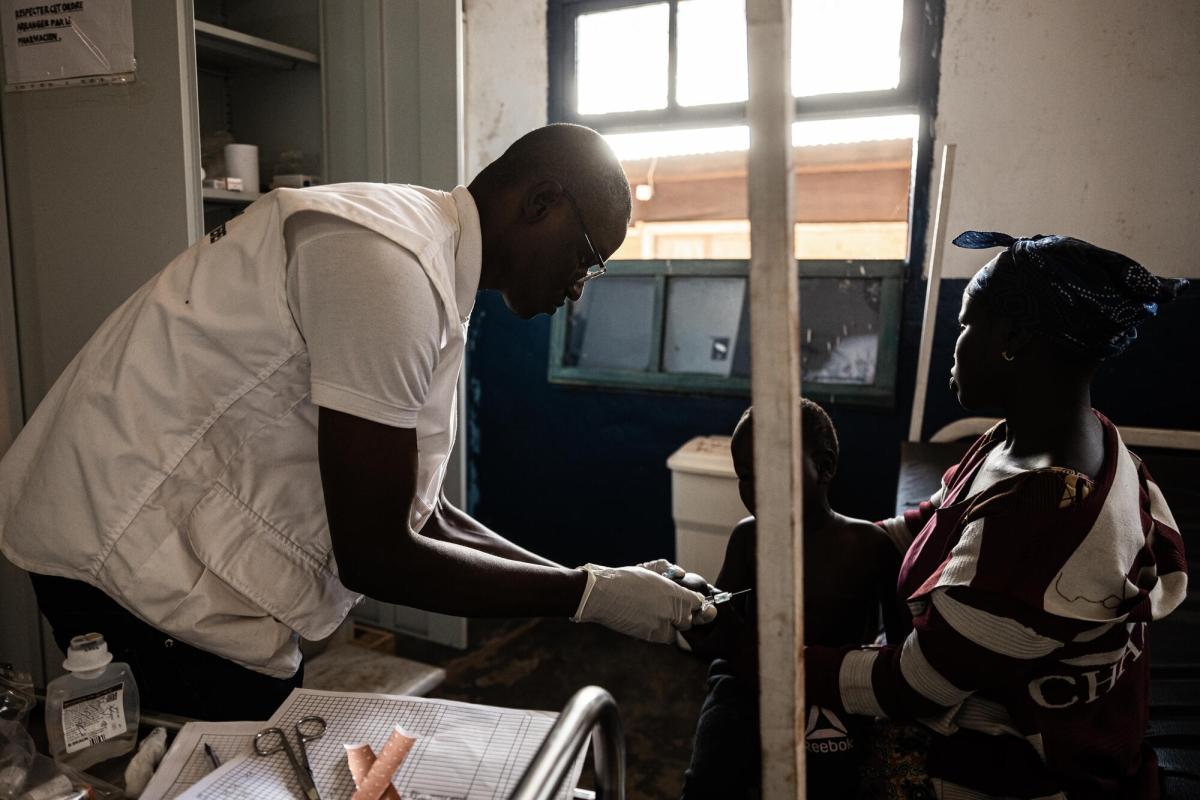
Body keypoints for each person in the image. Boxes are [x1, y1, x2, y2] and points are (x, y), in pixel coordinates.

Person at [0, 123, 711, 719]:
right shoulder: (387, 266)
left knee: (250, 731)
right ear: (542, 202)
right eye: (586, 258)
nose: (578, 287)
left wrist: (596, 579)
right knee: (214, 755)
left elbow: (417, 514)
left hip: (179, 554)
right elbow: (376, 553)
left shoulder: (429, 271)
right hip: (122, 559)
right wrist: (588, 597)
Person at [805, 231, 1189, 798]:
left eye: (965, 324)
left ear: (1011, 338)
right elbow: (936, 518)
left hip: (1025, 770)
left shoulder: (1040, 534)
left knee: (781, 735)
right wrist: (849, 535)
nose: (954, 344)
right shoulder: (1033, 441)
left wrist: (770, 653)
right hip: (1037, 704)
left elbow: (912, 686)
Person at [679, 399, 910, 799]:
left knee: (832, 782)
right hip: (748, 684)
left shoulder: (870, 546)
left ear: (825, 466)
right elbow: (722, 621)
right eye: (746, 477)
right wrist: (695, 605)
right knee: (709, 776)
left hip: (834, 690)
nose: (756, 491)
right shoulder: (747, 538)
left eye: (772, 472)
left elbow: (901, 643)